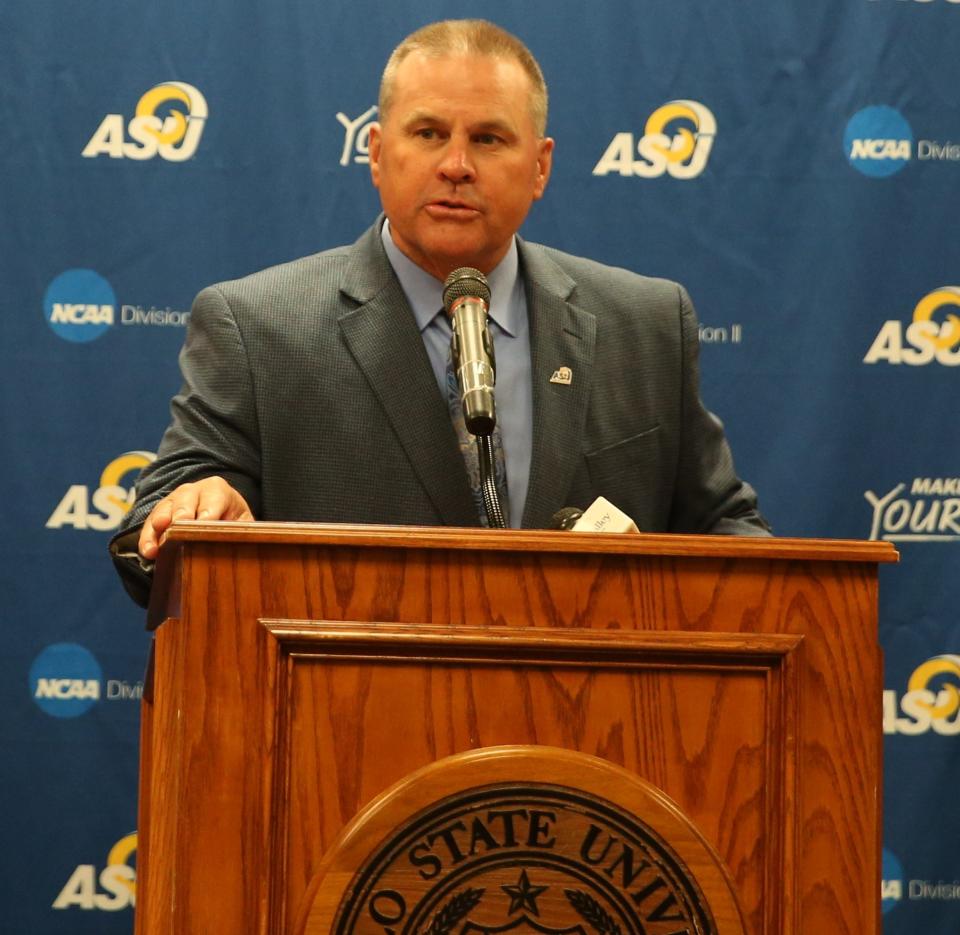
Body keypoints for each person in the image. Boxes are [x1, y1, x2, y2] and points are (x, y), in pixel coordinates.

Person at [110, 19, 770, 607]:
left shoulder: (646, 323)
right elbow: (154, 541)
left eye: (488, 139)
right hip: (348, 725)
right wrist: (195, 507)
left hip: (587, 726)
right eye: (428, 133)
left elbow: (729, 533)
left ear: (539, 167)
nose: (456, 165)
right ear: (374, 151)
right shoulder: (258, 327)